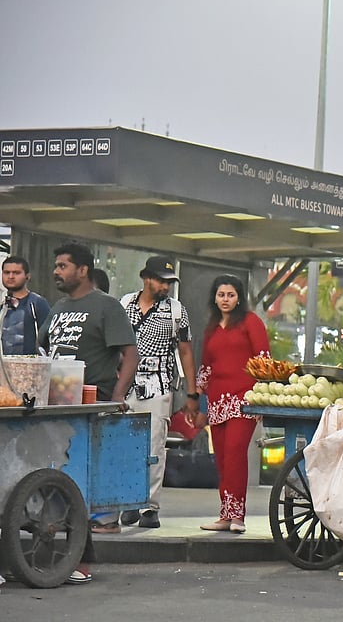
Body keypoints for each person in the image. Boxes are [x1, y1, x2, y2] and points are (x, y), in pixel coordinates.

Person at [37, 242, 138, 584]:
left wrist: (119, 395)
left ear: (83, 270)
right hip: (54, 402)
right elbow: (41, 348)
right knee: (51, 479)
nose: (56, 271)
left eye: (63, 266)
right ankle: (57, 556)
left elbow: (129, 354)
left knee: (76, 482)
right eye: (56, 266)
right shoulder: (58, 307)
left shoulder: (107, 307)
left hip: (90, 403)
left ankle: (81, 560)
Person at [118, 256, 200, 529]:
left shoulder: (177, 311)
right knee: (126, 445)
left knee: (154, 447)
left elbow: (186, 352)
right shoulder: (124, 304)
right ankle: (128, 502)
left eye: (169, 282)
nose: (165, 286)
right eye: (161, 281)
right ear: (146, 278)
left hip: (159, 385)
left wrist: (192, 392)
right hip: (125, 385)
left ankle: (149, 506)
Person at [188, 275, 269, 534]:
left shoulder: (251, 322)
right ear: (214, 297)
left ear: (239, 298)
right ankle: (225, 514)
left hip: (244, 400)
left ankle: (238, 517)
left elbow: (264, 360)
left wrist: (261, 397)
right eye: (221, 294)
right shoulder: (211, 327)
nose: (225, 299)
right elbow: (206, 368)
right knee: (222, 458)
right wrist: (197, 403)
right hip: (216, 402)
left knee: (235, 454)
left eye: (230, 295)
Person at [1, 255, 50, 356]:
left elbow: (49, 338)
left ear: (27, 276)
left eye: (16, 273)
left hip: (31, 366)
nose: (10, 276)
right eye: (6, 272)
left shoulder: (38, 303)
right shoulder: (2, 305)